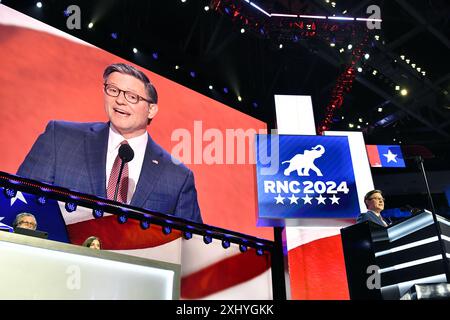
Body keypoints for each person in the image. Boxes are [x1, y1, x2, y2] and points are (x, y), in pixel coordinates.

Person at [17, 63, 202, 224]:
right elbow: (19, 203)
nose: (119, 101)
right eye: (113, 90)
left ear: (151, 110)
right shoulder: (61, 138)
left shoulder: (177, 177)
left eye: (132, 96)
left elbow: (190, 248)